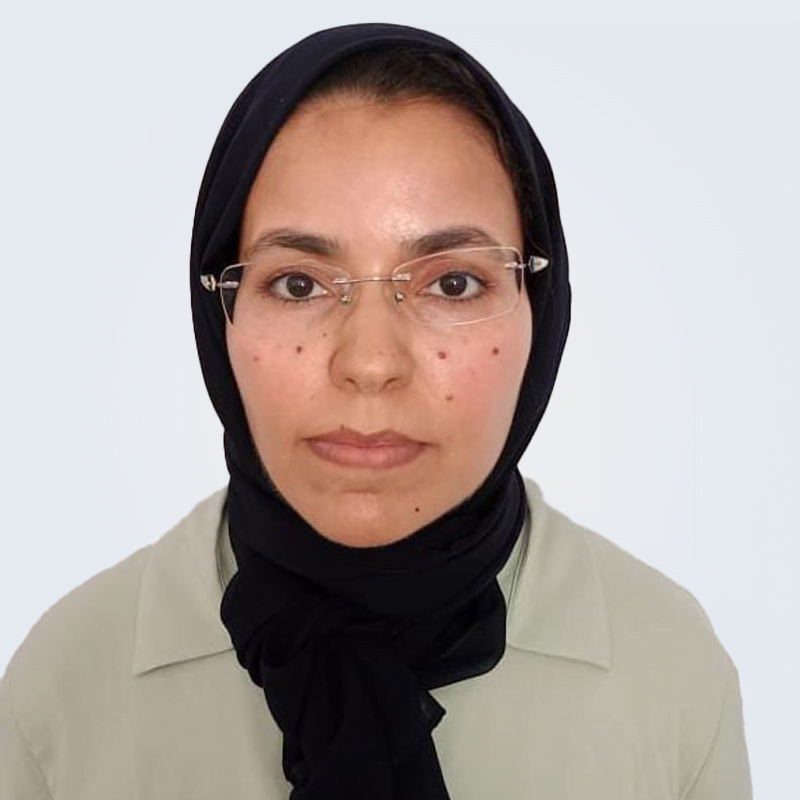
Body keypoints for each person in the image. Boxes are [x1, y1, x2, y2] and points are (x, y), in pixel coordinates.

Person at [0, 22, 752, 799]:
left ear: (543, 305)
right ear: (216, 312)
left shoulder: (668, 672)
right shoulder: (67, 685)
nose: (368, 363)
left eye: (452, 283)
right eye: (298, 284)